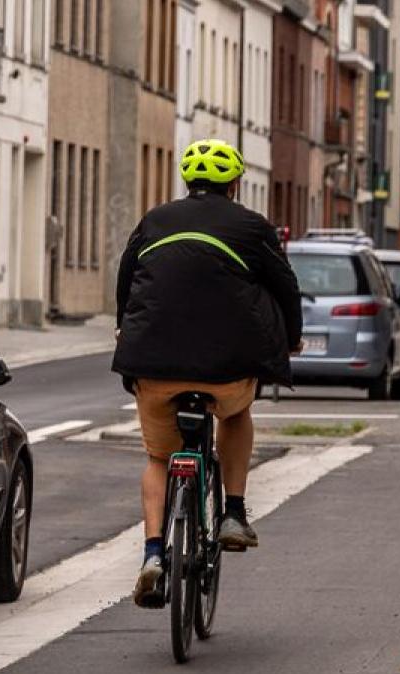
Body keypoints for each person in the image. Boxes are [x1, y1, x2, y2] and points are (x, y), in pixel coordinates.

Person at [112, 139, 302, 608]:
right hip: (228, 367)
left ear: (186, 182)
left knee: (159, 458)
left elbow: (126, 282)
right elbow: (286, 287)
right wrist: (291, 336)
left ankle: (154, 553)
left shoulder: (154, 220)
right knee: (235, 416)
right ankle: (233, 512)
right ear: (235, 184)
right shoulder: (253, 227)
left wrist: (125, 330)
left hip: (153, 364)